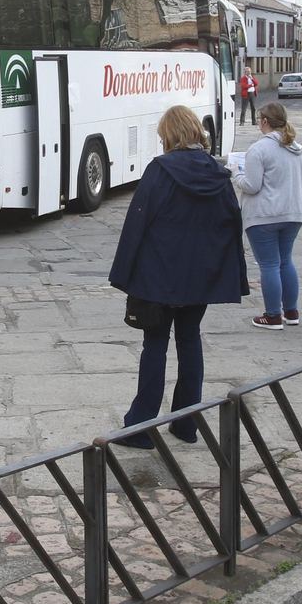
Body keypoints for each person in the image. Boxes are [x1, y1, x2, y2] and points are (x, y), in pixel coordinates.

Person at [108, 105, 249, 447]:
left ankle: (141, 428)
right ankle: (186, 425)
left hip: (159, 275)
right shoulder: (218, 174)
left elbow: (137, 221)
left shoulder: (160, 170)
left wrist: (124, 272)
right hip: (201, 276)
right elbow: (232, 224)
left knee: (155, 345)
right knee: (190, 340)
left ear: (170, 135)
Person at [236, 102, 302, 330]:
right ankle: (291, 311)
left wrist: (236, 175)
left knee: (269, 265)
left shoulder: (259, 149)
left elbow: (252, 185)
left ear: (265, 121)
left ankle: (273, 315)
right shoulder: (295, 147)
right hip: (292, 212)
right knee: (286, 261)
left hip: (264, 214)